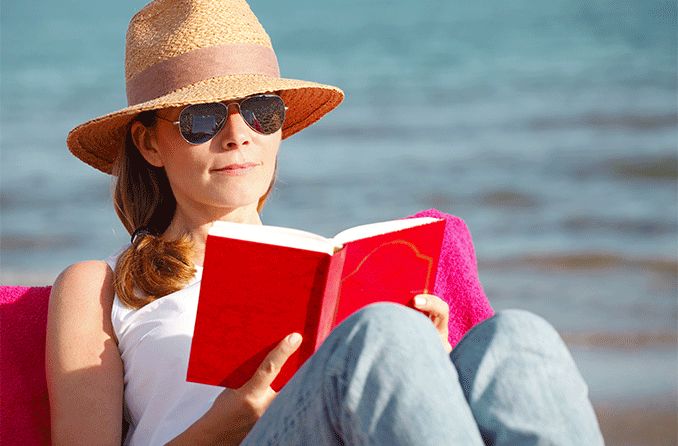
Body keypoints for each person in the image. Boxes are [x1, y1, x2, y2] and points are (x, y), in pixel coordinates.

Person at [45, 0, 605, 445]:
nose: (238, 134)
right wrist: (227, 423)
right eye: (202, 118)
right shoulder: (102, 286)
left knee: (517, 338)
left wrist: (425, 366)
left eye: (261, 111)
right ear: (149, 143)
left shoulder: (322, 270)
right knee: (380, 334)